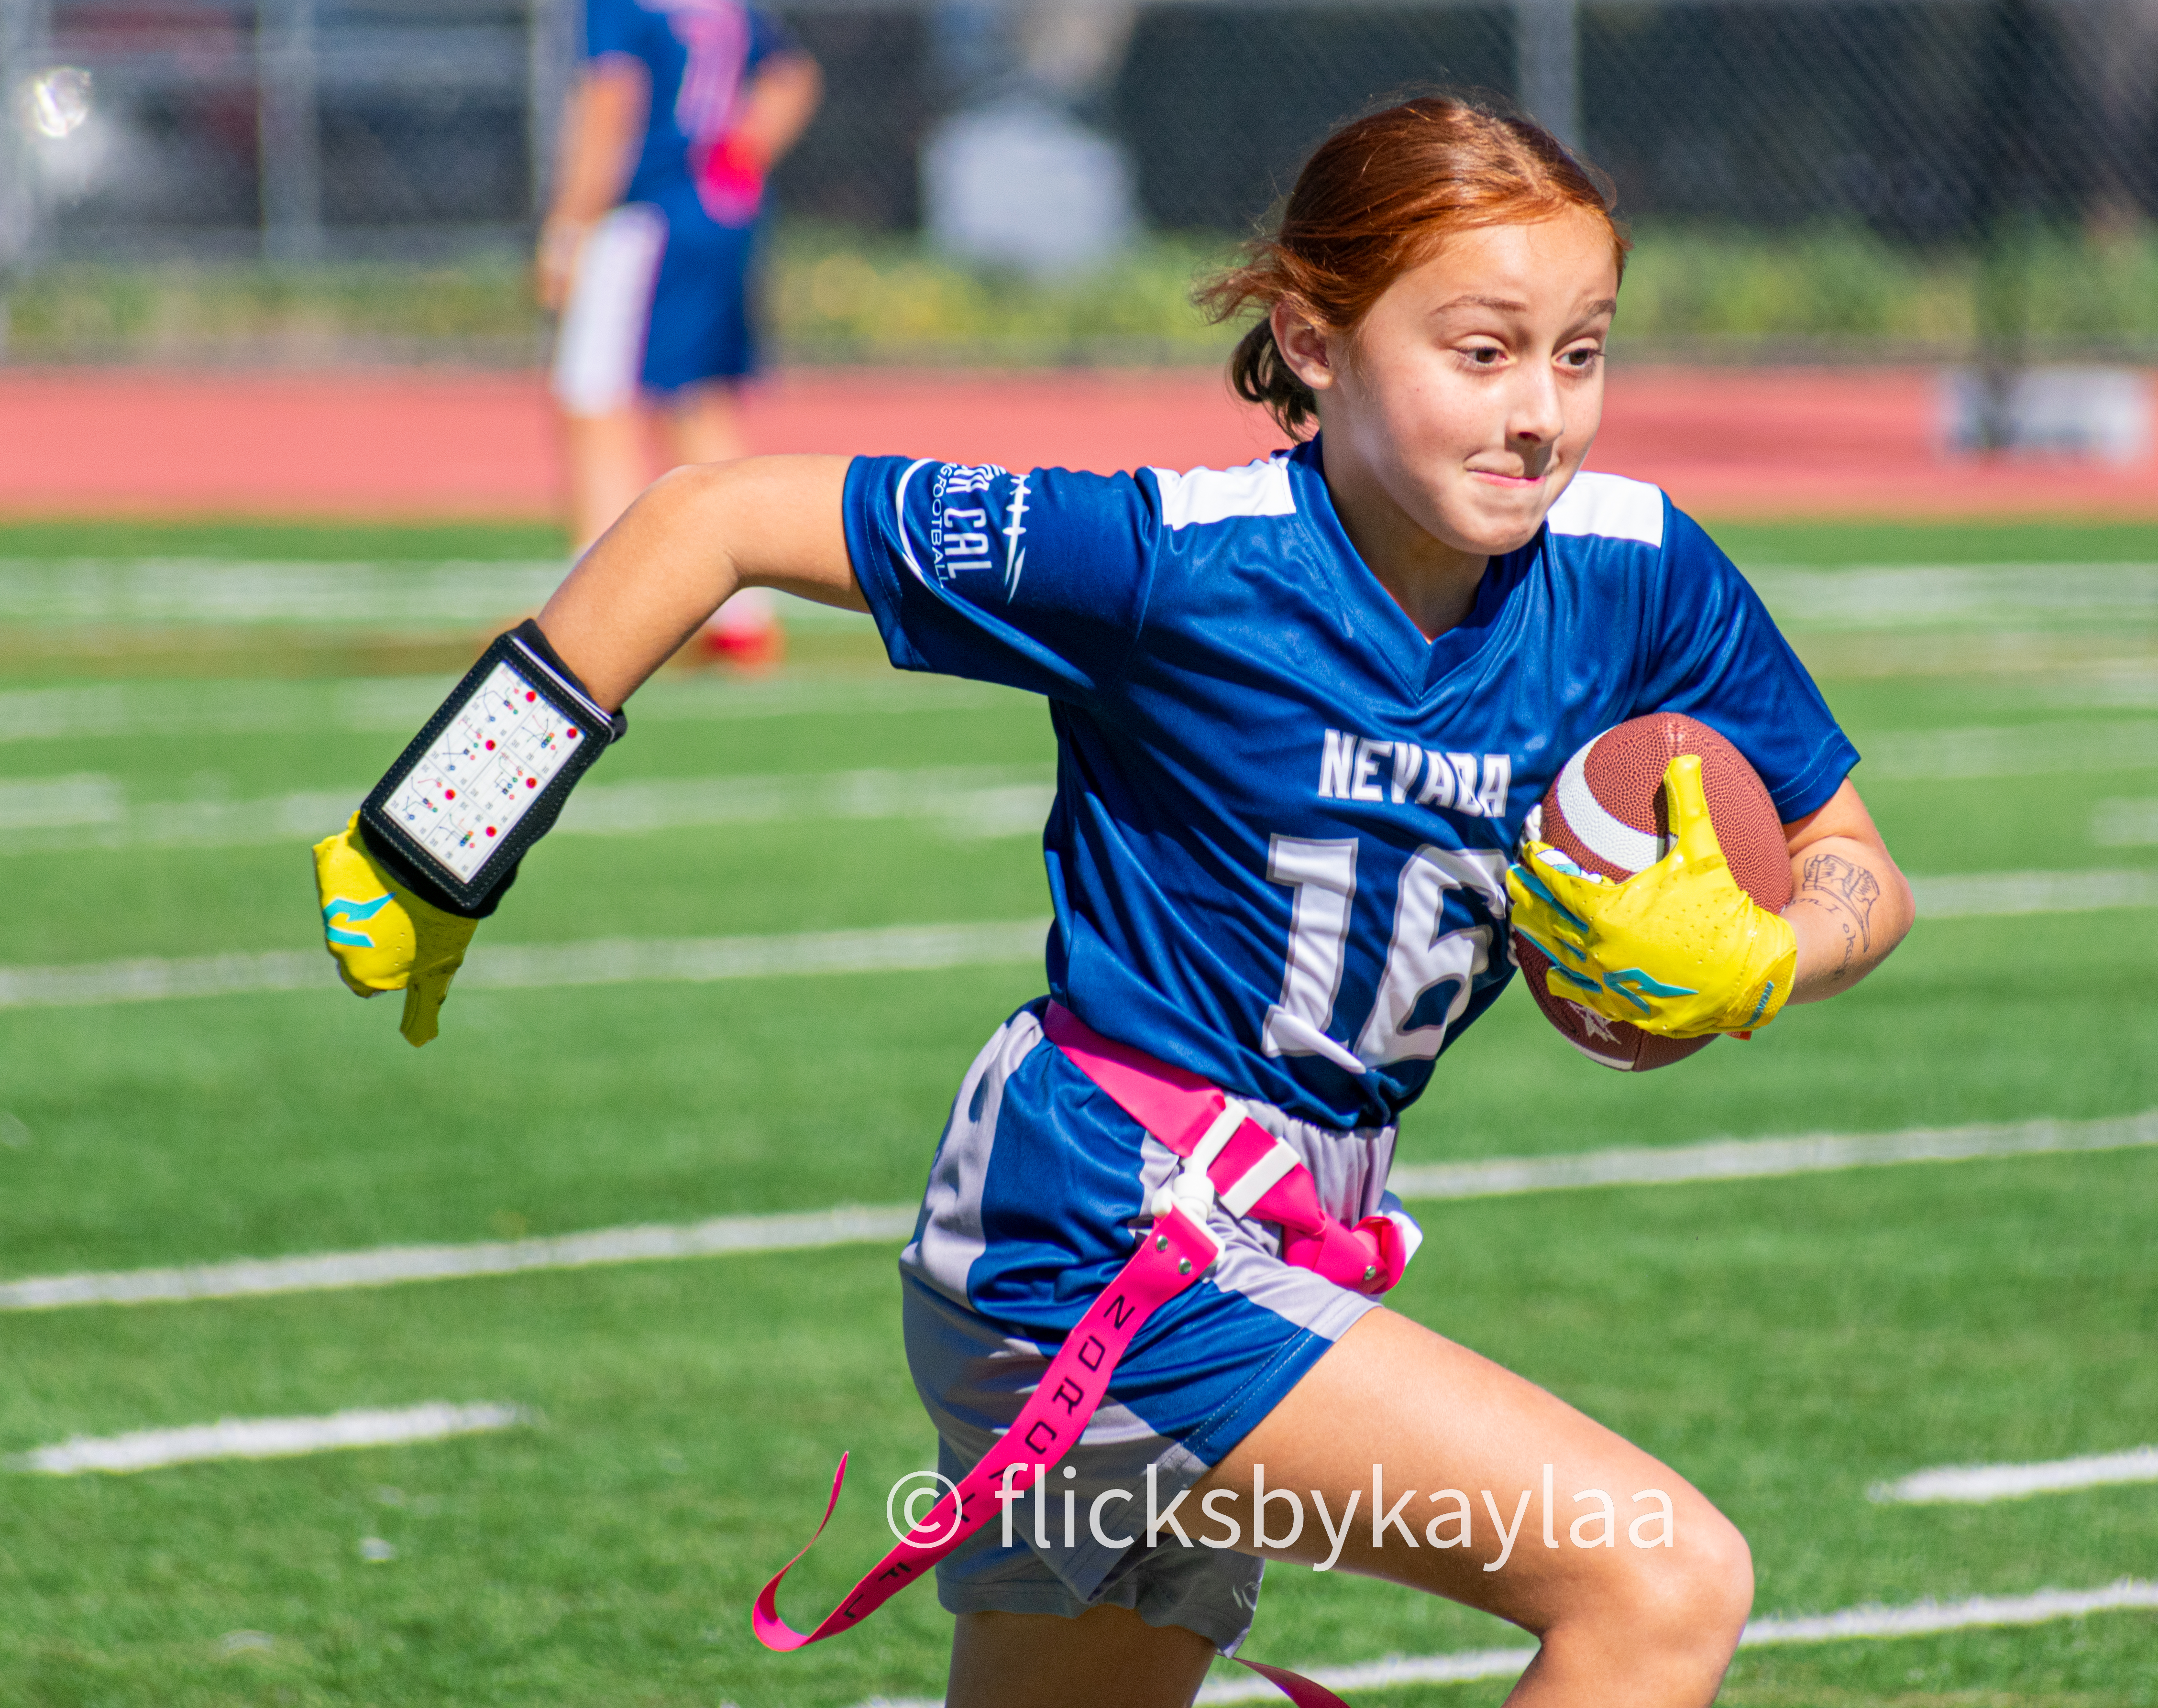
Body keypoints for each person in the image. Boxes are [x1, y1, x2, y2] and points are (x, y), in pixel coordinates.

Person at [318, 97, 1913, 1707]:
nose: (1538, 415)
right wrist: (435, 835)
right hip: (1101, 1228)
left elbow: (1854, 856)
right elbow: (704, 517)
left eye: (1578, 353)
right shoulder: (1171, 559)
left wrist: (1771, 952)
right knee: (1659, 1578)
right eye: (1480, 352)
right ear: (1309, 339)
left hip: (1240, 1238)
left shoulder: (1636, 566)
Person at [536, 0, 822, 664]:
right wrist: (737, 156)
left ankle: (592, 609)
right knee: (696, 398)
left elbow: (611, 103)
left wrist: (570, 224)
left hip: (647, 216)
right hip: (720, 213)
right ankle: (742, 612)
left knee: (592, 399)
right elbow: (791, 79)